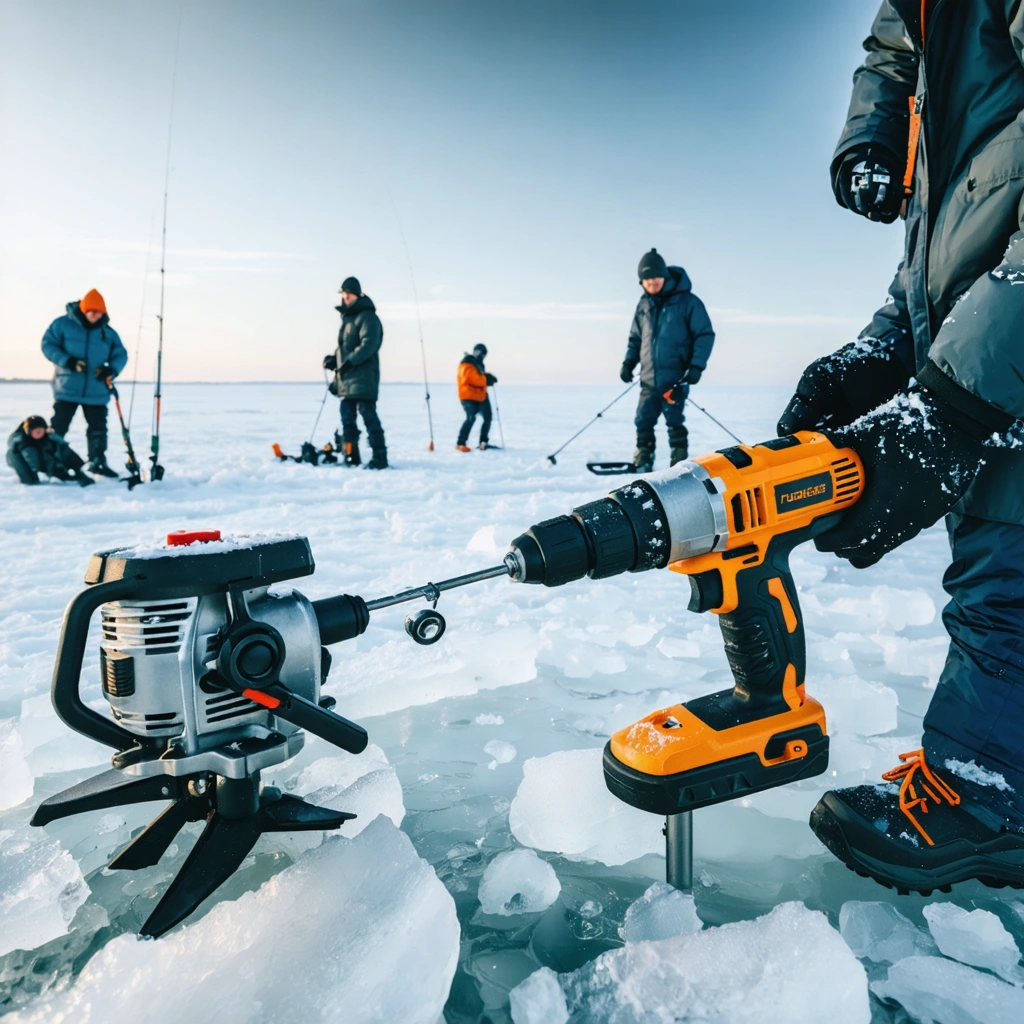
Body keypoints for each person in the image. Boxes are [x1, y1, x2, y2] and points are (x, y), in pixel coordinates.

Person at [778, 0, 1024, 893]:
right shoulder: (936, 34)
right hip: (1000, 338)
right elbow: (959, 234)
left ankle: (986, 797)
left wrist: (953, 405)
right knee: (1002, 556)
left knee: (1012, 575)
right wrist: (883, 350)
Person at [620, 249, 715, 473]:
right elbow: (636, 338)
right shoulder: (643, 304)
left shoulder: (688, 302)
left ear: (664, 277)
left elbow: (705, 334)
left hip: (675, 378)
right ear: (641, 282)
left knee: (674, 420)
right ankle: (644, 457)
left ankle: (678, 461)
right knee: (643, 420)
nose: (652, 285)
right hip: (648, 378)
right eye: (647, 282)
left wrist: (696, 367)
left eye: (656, 280)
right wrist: (628, 363)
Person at [40, 289, 128, 478]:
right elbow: (48, 344)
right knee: (58, 427)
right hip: (67, 388)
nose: (95, 315)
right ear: (84, 309)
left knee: (98, 429)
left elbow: (120, 354)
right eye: (92, 311)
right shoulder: (62, 325)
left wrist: (110, 370)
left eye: (99, 312)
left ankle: (98, 462)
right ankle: (52, 461)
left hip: (97, 389)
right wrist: (68, 361)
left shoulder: (108, 332)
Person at [322, 277, 388, 470]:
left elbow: (370, 344)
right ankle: (351, 456)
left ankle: (380, 458)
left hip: (364, 378)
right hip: (347, 379)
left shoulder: (368, 318)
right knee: (346, 418)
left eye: (348, 294)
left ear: (357, 295)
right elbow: (344, 348)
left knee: (368, 416)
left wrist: (350, 361)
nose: (345, 298)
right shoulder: (348, 320)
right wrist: (334, 361)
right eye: (343, 294)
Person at [7, 415, 94, 486]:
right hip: (29, 465)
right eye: (35, 430)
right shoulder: (21, 443)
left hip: (47, 464)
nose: (39, 432)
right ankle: (29, 478)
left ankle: (71, 472)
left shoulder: (50, 440)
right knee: (26, 456)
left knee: (62, 449)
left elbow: (66, 452)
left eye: (41, 430)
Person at [455, 344, 498, 452]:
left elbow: (479, 379)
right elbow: (471, 378)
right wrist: (485, 379)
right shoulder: (466, 363)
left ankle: (483, 442)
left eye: (484, 354)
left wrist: (486, 379)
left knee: (488, 417)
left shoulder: (479, 364)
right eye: (480, 352)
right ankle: (461, 443)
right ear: (475, 351)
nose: (482, 355)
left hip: (480, 395)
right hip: (468, 395)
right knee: (471, 418)